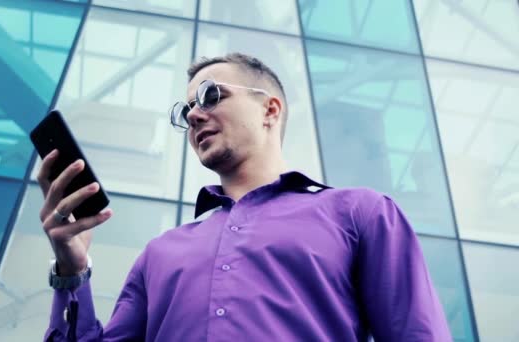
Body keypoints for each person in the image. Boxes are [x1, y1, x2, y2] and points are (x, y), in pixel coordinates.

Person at [38, 53, 452, 341]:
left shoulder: (360, 214)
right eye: (186, 112)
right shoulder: (159, 254)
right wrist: (71, 273)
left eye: (211, 96)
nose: (195, 115)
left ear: (270, 110)